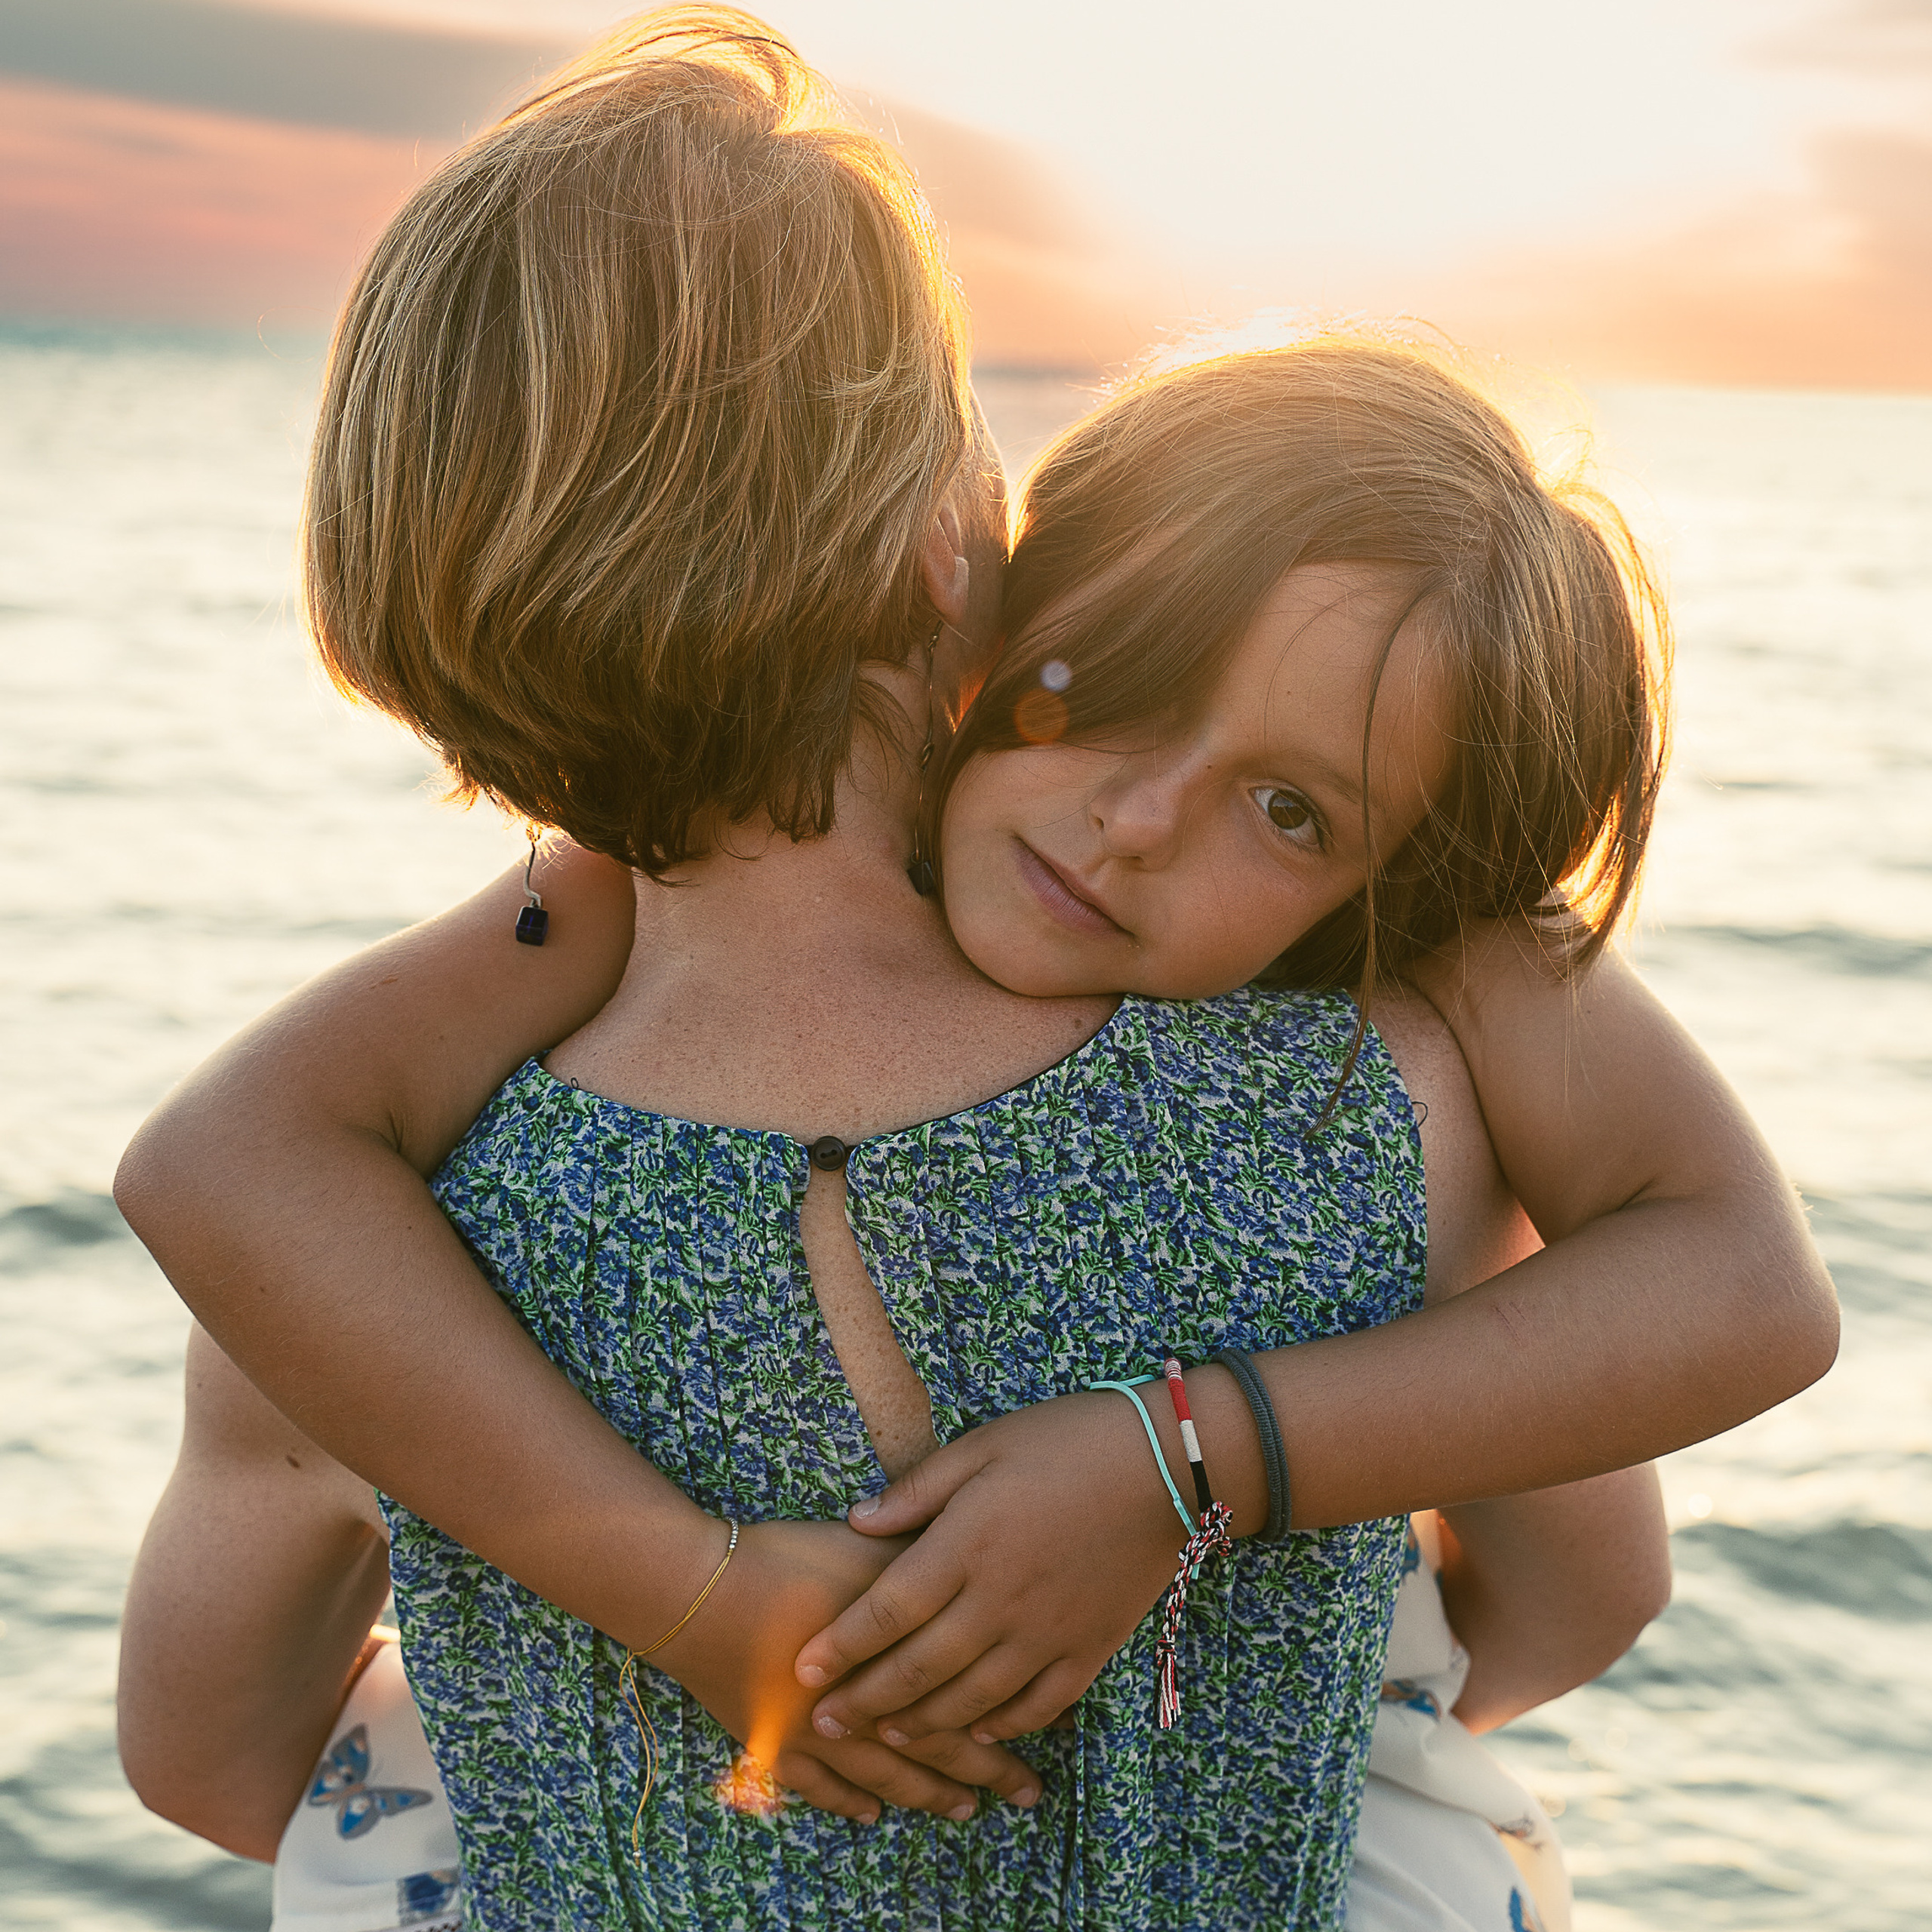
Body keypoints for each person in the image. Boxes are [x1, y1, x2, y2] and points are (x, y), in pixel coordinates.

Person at [113, 10, 1833, 1930]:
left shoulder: (358, 1259)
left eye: (1281, 804)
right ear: (955, 539)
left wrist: (626, 1670)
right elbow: (1590, 1590)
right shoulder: (1396, 1105)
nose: (1131, 825)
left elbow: (211, 1755)